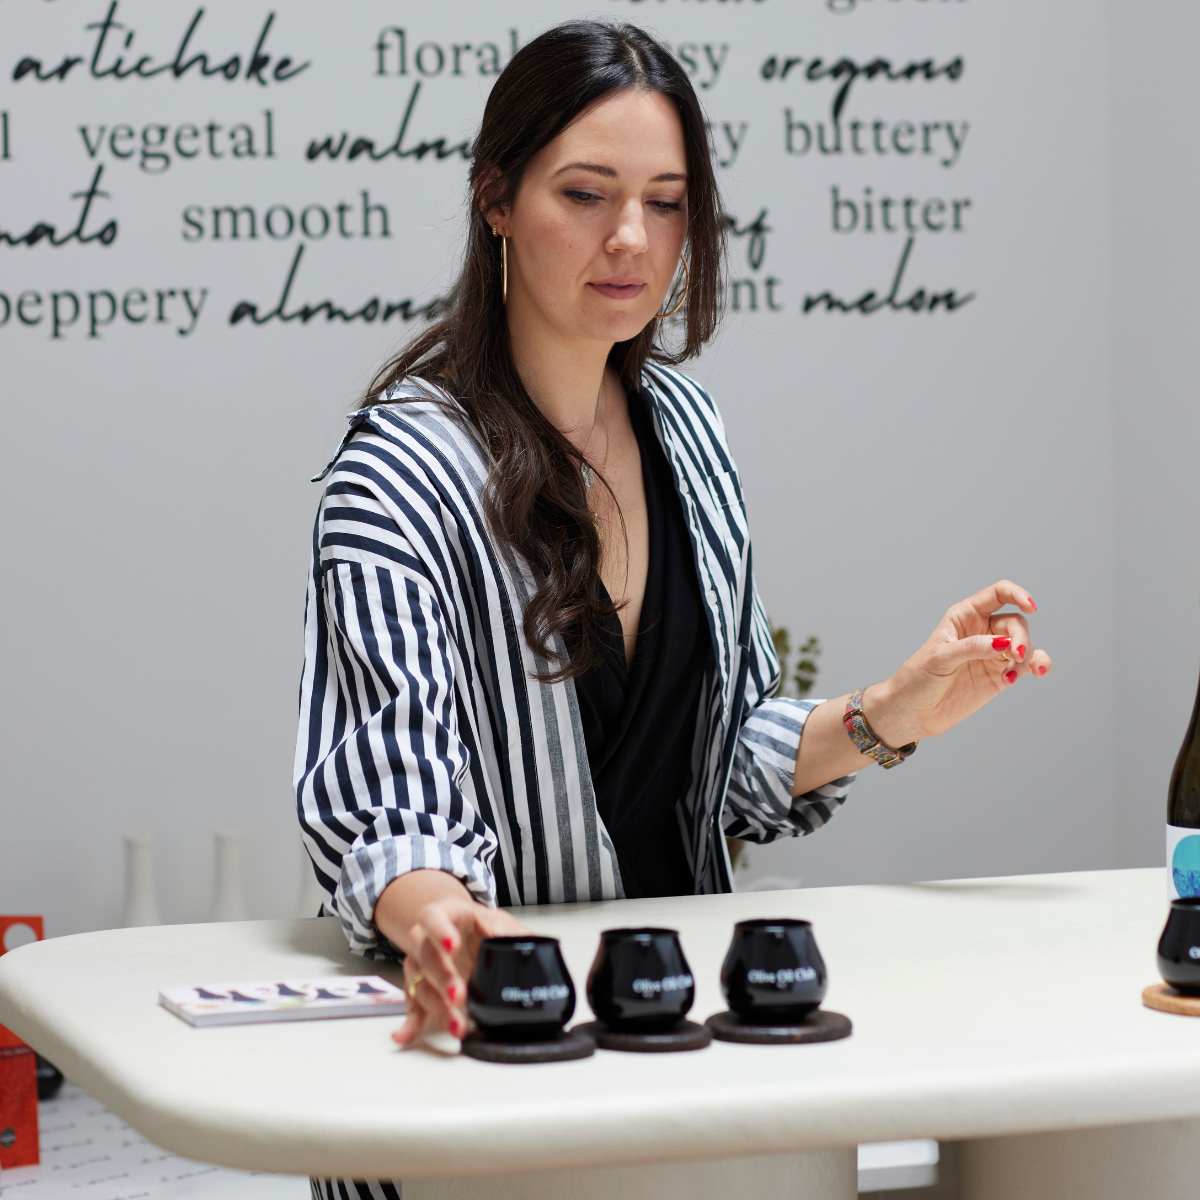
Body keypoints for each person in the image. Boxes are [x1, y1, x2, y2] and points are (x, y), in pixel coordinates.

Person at [293, 20, 1052, 1053]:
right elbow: (394, 799)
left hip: (682, 1018)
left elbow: (718, 760)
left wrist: (887, 711)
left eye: (665, 203)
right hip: (502, 1029)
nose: (632, 241)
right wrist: (444, 922)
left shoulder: (689, 434)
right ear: (497, 200)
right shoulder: (403, 470)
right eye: (585, 194)